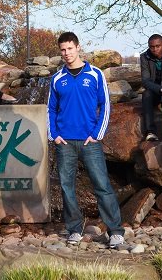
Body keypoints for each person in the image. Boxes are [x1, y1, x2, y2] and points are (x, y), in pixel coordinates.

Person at [47, 32, 125, 249]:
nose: (66, 53)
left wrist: (97, 135)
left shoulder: (95, 74)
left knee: (102, 185)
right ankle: (74, 229)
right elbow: (51, 109)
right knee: (66, 186)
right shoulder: (57, 78)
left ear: (77, 47)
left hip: (90, 141)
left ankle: (116, 232)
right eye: (62, 50)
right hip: (65, 142)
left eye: (69, 48)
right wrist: (55, 135)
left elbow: (105, 106)